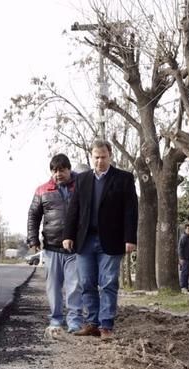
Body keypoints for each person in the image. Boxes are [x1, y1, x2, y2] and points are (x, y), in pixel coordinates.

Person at [62, 139, 138, 340]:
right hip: (85, 240)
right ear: (91, 156)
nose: (99, 161)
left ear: (110, 155)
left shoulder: (124, 178)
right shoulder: (83, 179)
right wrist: (68, 235)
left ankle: (106, 326)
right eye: (96, 157)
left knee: (108, 283)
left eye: (103, 157)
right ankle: (92, 323)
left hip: (112, 241)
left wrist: (130, 238)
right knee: (86, 283)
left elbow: (131, 211)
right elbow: (74, 209)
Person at [27, 153, 83, 334]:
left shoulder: (81, 186)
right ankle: (56, 319)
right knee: (53, 287)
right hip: (52, 248)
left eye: (62, 170)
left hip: (75, 248)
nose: (58, 174)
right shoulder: (42, 190)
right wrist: (33, 239)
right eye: (54, 170)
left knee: (75, 286)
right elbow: (33, 215)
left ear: (69, 169)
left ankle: (74, 322)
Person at [178, 224, 189, 293]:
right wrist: (181, 258)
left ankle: (187, 287)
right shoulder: (183, 237)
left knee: (188, 273)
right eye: (188, 229)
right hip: (185, 258)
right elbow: (180, 248)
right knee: (185, 272)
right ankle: (183, 287)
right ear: (185, 229)